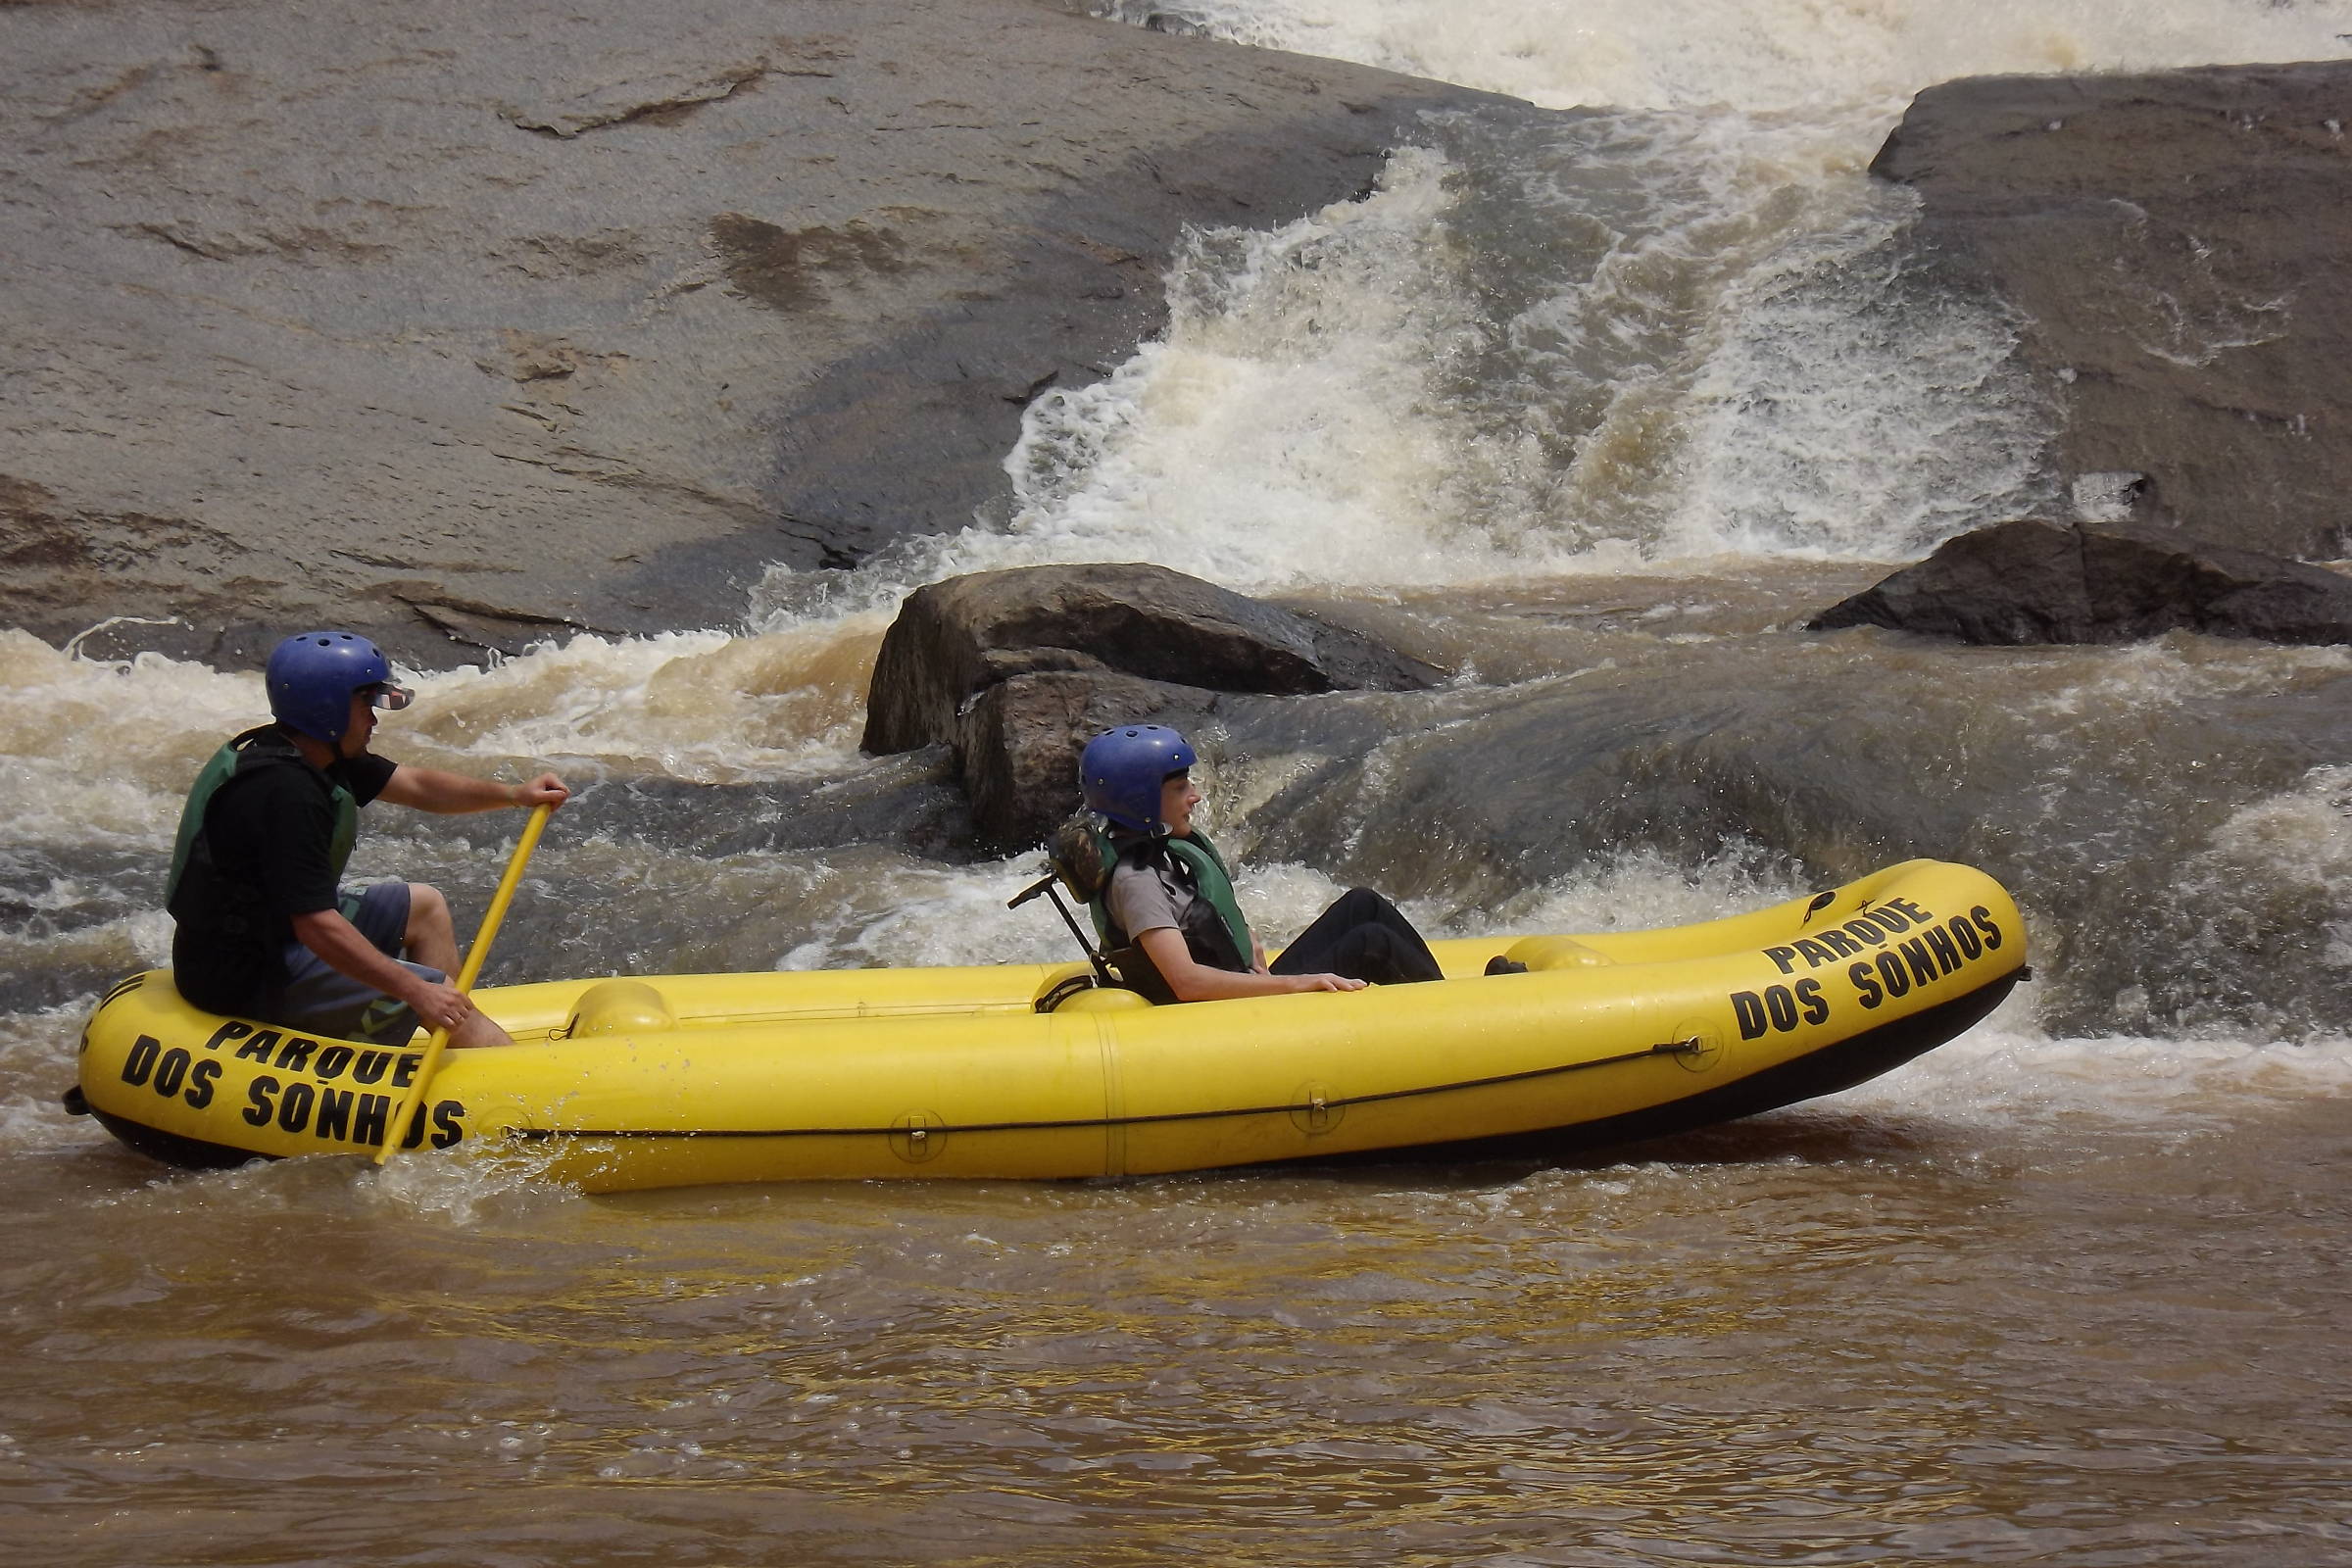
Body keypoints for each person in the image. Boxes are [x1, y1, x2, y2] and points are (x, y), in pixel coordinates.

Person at [165, 630, 568, 1050]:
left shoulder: (310, 750)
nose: (374, 719)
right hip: (244, 973)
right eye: (366, 704)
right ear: (327, 711)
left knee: (425, 906)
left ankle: (452, 1036)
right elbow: (317, 926)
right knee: (429, 986)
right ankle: (494, 1066)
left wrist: (513, 795)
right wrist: (417, 991)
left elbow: (417, 786)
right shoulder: (285, 794)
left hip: (273, 932)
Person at [1073, 724, 1448, 1004]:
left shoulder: (1155, 852)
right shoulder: (1135, 882)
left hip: (1245, 989)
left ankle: (1451, 997)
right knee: (1372, 943)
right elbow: (1187, 983)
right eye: (1180, 788)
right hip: (1229, 1019)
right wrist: (1298, 982)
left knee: (1362, 903)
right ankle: (1455, 1019)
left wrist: (1249, 944)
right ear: (1140, 802)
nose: (1196, 796)